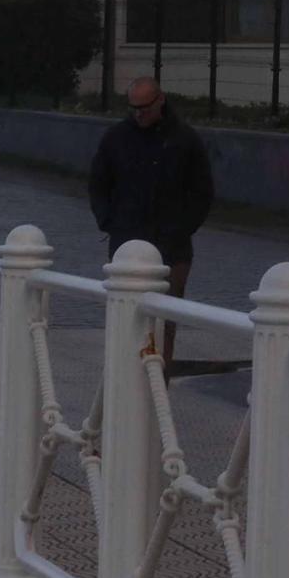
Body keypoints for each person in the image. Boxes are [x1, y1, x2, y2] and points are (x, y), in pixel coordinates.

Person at [87, 76, 214, 367]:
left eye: (144, 107)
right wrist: (109, 221)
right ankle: (124, 382)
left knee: (166, 320)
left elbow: (202, 190)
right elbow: (98, 183)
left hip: (173, 246)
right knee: (126, 318)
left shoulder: (184, 139)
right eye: (133, 108)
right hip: (126, 243)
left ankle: (159, 385)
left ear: (160, 101)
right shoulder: (117, 137)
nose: (138, 114)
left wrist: (182, 228)